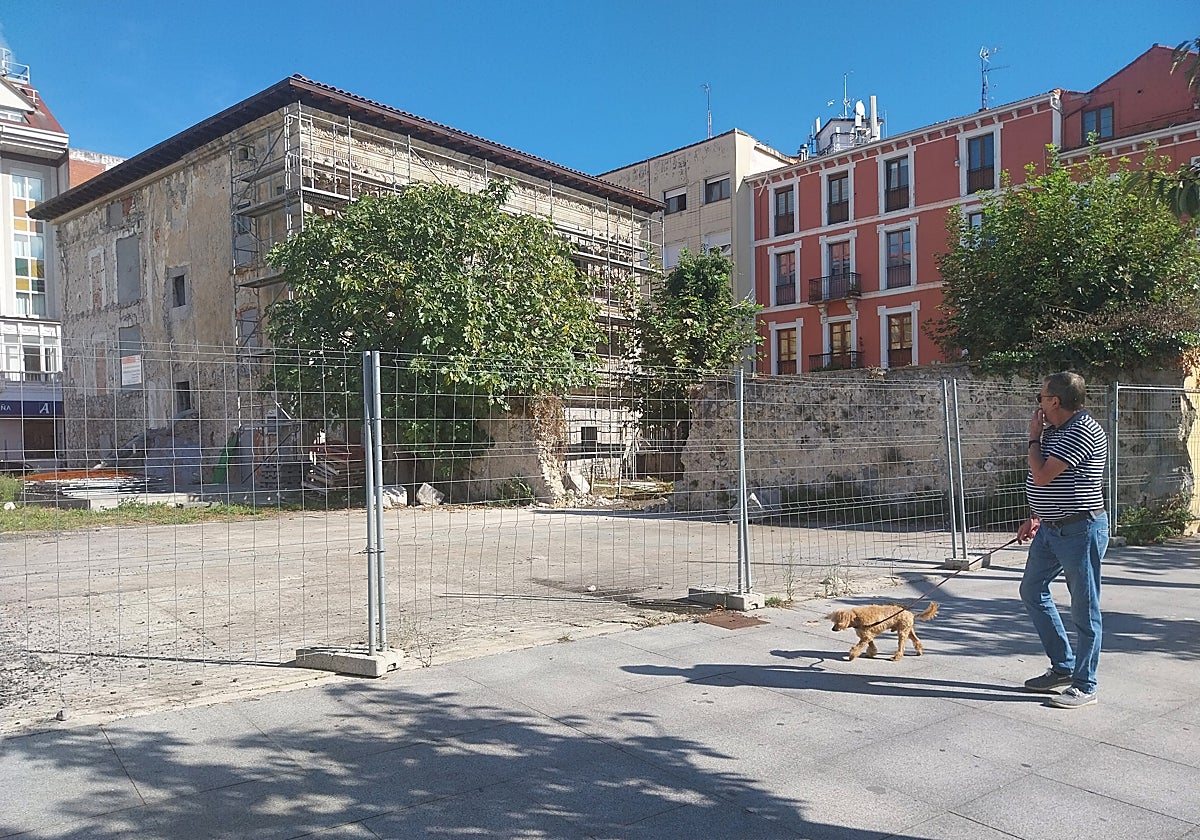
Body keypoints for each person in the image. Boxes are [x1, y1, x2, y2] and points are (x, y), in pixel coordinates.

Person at [1015, 371, 1109, 709]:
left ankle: (1085, 685)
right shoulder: (1056, 430)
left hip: (1080, 531)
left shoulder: (1081, 431)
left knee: (1084, 610)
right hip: (1051, 529)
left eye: (1041, 396)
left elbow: (1041, 475)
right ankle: (1063, 667)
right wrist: (1037, 515)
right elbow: (1051, 484)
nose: (1038, 402)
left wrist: (1032, 437)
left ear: (1055, 401)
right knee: (1031, 590)